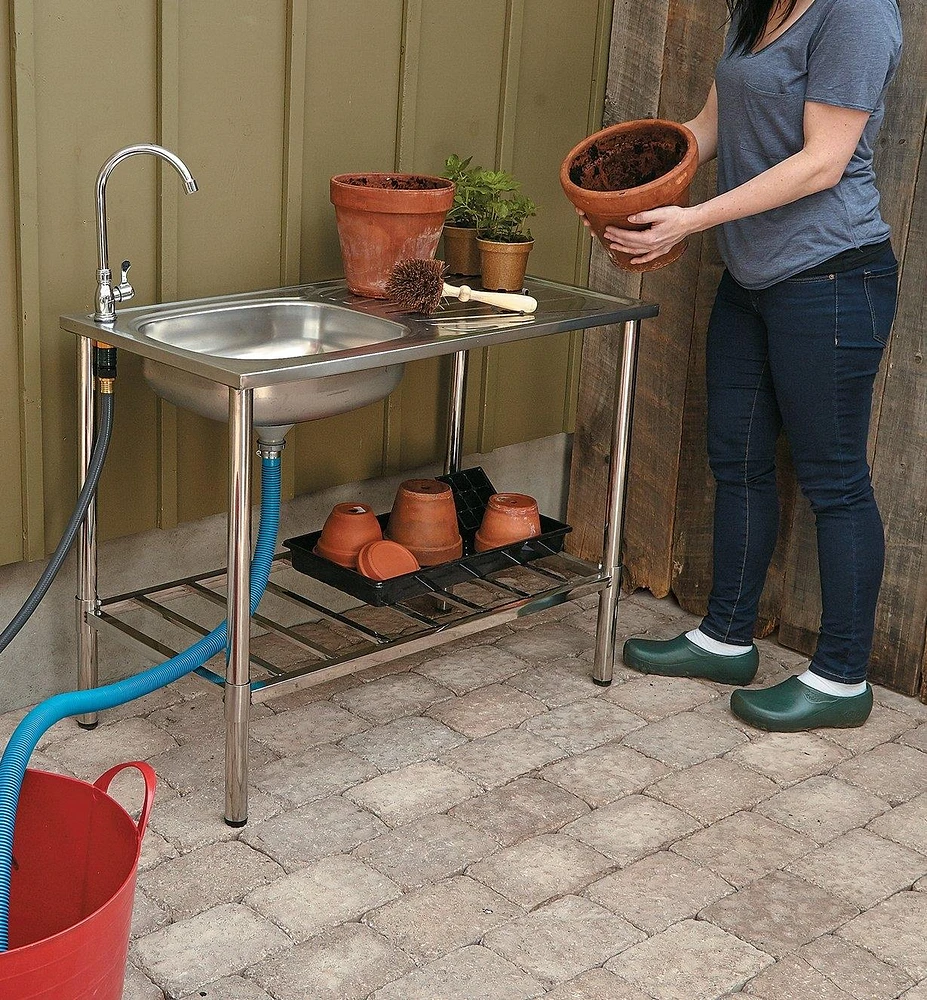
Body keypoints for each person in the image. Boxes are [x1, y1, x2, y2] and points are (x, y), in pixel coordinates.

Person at [598, 0, 903, 731]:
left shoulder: (856, 12)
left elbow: (822, 162)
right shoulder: (754, 3)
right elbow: (711, 125)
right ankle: (725, 636)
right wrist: (636, 175)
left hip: (831, 277)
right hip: (752, 276)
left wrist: (692, 218)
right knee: (733, 456)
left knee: (833, 480)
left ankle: (840, 679)